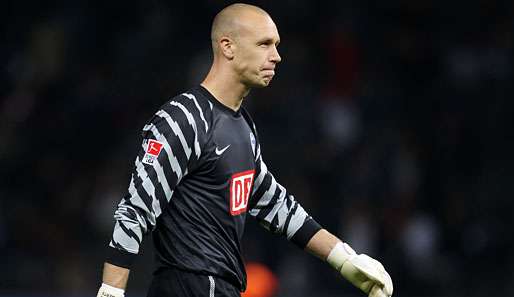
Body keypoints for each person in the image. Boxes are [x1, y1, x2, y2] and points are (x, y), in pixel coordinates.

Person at [96, 3, 393, 297]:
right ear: (228, 46)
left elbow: (275, 204)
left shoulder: (242, 127)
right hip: (189, 286)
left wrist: (344, 257)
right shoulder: (183, 119)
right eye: (264, 44)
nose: (276, 56)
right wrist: (111, 291)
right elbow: (136, 210)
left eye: (276, 45)